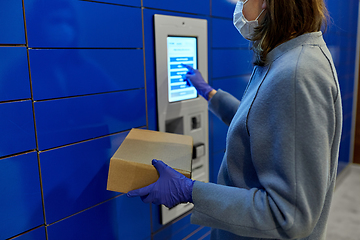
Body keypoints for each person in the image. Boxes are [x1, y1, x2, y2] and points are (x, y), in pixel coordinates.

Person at [127, 0, 343, 239]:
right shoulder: (290, 55)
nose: (239, 6)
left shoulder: (297, 73)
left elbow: (289, 217)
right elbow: (265, 127)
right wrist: (210, 94)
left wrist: (190, 192)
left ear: (268, 3)